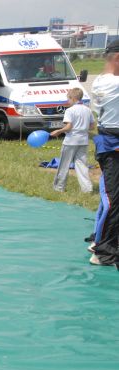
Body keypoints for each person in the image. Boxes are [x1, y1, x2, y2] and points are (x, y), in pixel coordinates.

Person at [89, 39, 119, 267]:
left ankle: (103, 242)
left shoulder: (101, 80)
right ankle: (103, 250)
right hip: (112, 146)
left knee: (110, 198)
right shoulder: (112, 84)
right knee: (112, 200)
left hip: (109, 141)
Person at [49, 88, 93, 195]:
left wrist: (59, 131)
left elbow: (69, 126)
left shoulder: (70, 110)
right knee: (82, 165)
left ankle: (59, 187)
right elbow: (92, 126)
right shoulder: (88, 110)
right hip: (83, 141)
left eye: (68, 99)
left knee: (64, 164)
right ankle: (87, 189)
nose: (67, 101)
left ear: (72, 98)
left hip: (70, 141)